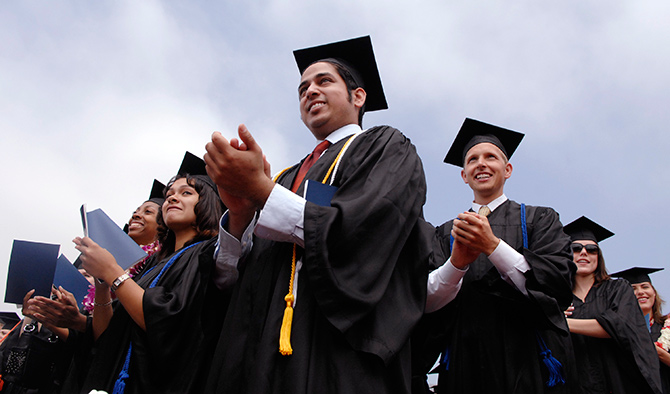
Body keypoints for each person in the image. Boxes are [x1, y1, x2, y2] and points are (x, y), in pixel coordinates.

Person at [204, 36, 430, 394]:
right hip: (257, 357)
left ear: (358, 97)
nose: (310, 91)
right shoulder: (283, 177)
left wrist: (260, 191)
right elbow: (228, 282)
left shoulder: (386, 147)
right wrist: (239, 212)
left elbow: (365, 233)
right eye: (302, 88)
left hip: (337, 355)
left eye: (324, 81)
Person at [412, 118, 578, 393]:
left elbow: (558, 285)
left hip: (527, 354)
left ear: (507, 169)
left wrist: (493, 246)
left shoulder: (540, 219)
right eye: (472, 159)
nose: (481, 164)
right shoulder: (444, 233)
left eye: (491, 157)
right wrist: (456, 264)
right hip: (464, 358)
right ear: (464, 175)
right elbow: (425, 299)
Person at [71, 168, 231, 394]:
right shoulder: (150, 266)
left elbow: (167, 322)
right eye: (169, 196)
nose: (172, 198)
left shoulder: (209, 254)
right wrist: (102, 284)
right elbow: (107, 334)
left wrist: (112, 272)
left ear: (209, 204)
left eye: (186, 193)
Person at [563, 217, 662, 394]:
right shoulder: (558, 296)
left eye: (591, 249)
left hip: (618, 381)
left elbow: (619, 325)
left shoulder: (618, 288)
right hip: (575, 380)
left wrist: (562, 322)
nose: (584, 253)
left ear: (598, 257)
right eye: (576, 249)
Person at [611, 267, 670, 393]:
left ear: (654, 292)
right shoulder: (615, 331)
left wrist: (658, 353)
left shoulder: (667, 327)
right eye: (633, 289)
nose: (640, 292)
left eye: (645, 287)